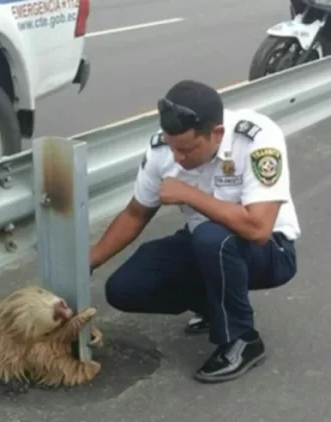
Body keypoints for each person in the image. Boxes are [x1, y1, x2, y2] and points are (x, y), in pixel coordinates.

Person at [88, 79, 300, 383]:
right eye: (173, 148)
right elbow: (136, 213)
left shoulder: (256, 138)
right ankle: (212, 306)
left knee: (212, 237)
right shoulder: (164, 150)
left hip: (271, 252)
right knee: (124, 288)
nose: (177, 158)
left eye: (187, 150)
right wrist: (90, 260)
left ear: (216, 134)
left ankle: (242, 339)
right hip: (206, 246)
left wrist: (189, 194)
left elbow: (259, 229)